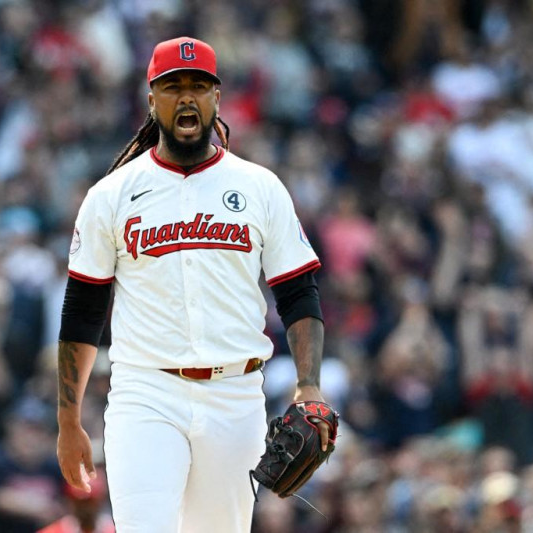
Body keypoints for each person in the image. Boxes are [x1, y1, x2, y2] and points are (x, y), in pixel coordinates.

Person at [56, 36, 332, 532]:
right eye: (173, 86)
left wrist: (308, 384)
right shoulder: (112, 195)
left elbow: (298, 292)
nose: (186, 97)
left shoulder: (259, 187)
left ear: (216, 98)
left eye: (199, 86)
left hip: (236, 395)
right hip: (146, 392)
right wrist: (68, 419)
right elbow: (82, 310)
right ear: (152, 100)